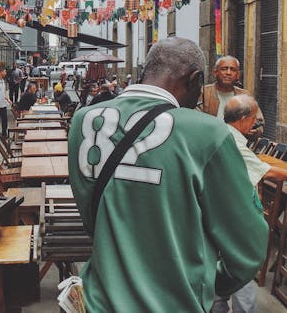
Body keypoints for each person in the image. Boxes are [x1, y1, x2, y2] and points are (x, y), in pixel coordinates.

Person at [68, 37, 268, 313]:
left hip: (99, 298)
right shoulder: (209, 133)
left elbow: (92, 219)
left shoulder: (83, 121)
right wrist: (209, 281)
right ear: (196, 80)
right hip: (174, 302)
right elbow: (249, 244)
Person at [212, 94, 287, 313]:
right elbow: (268, 171)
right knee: (241, 271)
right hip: (232, 218)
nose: (255, 123)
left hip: (223, 215)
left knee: (225, 276)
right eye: (254, 118)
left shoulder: (222, 133)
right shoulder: (231, 141)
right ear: (244, 118)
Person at [198, 56, 264, 138]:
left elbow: (259, 122)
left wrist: (255, 131)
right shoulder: (203, 92)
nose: (228, 72)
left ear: (238, 75)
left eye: (233, 69)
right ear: (215, 72)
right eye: (224, 69)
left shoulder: (244, 95)